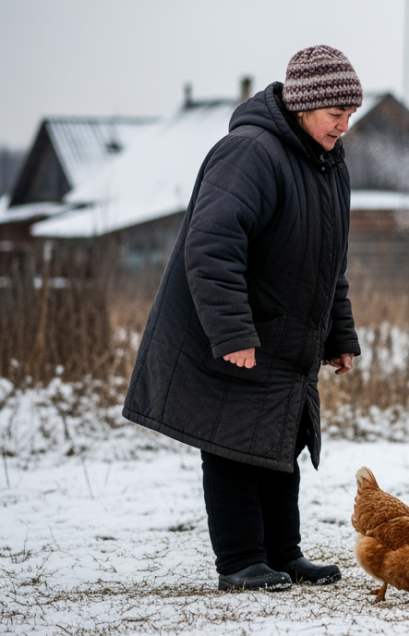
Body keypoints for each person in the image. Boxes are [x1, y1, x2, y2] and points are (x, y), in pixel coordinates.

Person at [123, 45, 362, 591]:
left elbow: (331, 265)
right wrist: (230, 330)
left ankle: (283, 554)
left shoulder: (327, 167)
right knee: (232, 445)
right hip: (237, 331)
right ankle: (240, 561)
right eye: (335, 115)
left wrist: (339, 335)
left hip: (285, 336)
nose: (344, 126)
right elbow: (211, 247)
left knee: (280, 443)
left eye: (351, 115)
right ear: (304, 106)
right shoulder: (250, 153)